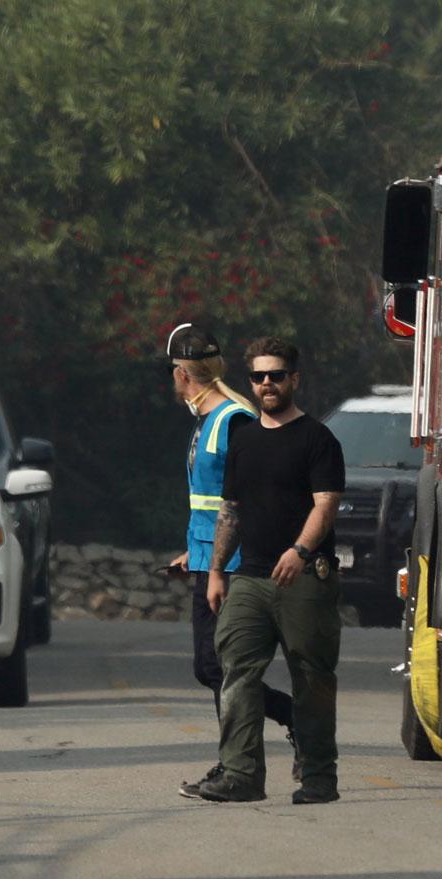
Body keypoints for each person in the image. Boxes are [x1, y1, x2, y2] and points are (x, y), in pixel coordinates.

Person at [197, 336, 346, 804]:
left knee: (311, 677)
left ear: (294, 380)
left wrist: (299, 550)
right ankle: (242, 776)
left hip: (302, 577)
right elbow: (231, 510)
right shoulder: (243, 439)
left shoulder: (318, 440)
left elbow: (326, 505)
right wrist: (218, 570)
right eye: (259, 376)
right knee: (235, 671)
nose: (267, 384)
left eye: (276, 375)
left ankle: (319, 777)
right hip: (250, 578)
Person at [160, 323, 296, 799]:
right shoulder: (209, 419)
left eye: (174, 372)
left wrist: (219, 564)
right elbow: (209, 502)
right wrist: (194, 554)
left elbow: (245, 500)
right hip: (210, 557)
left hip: (236, 565)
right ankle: (252, 751)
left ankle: (239, 764)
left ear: (182, 374)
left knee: (221, 669)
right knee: (212, 669)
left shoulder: (234, 420)